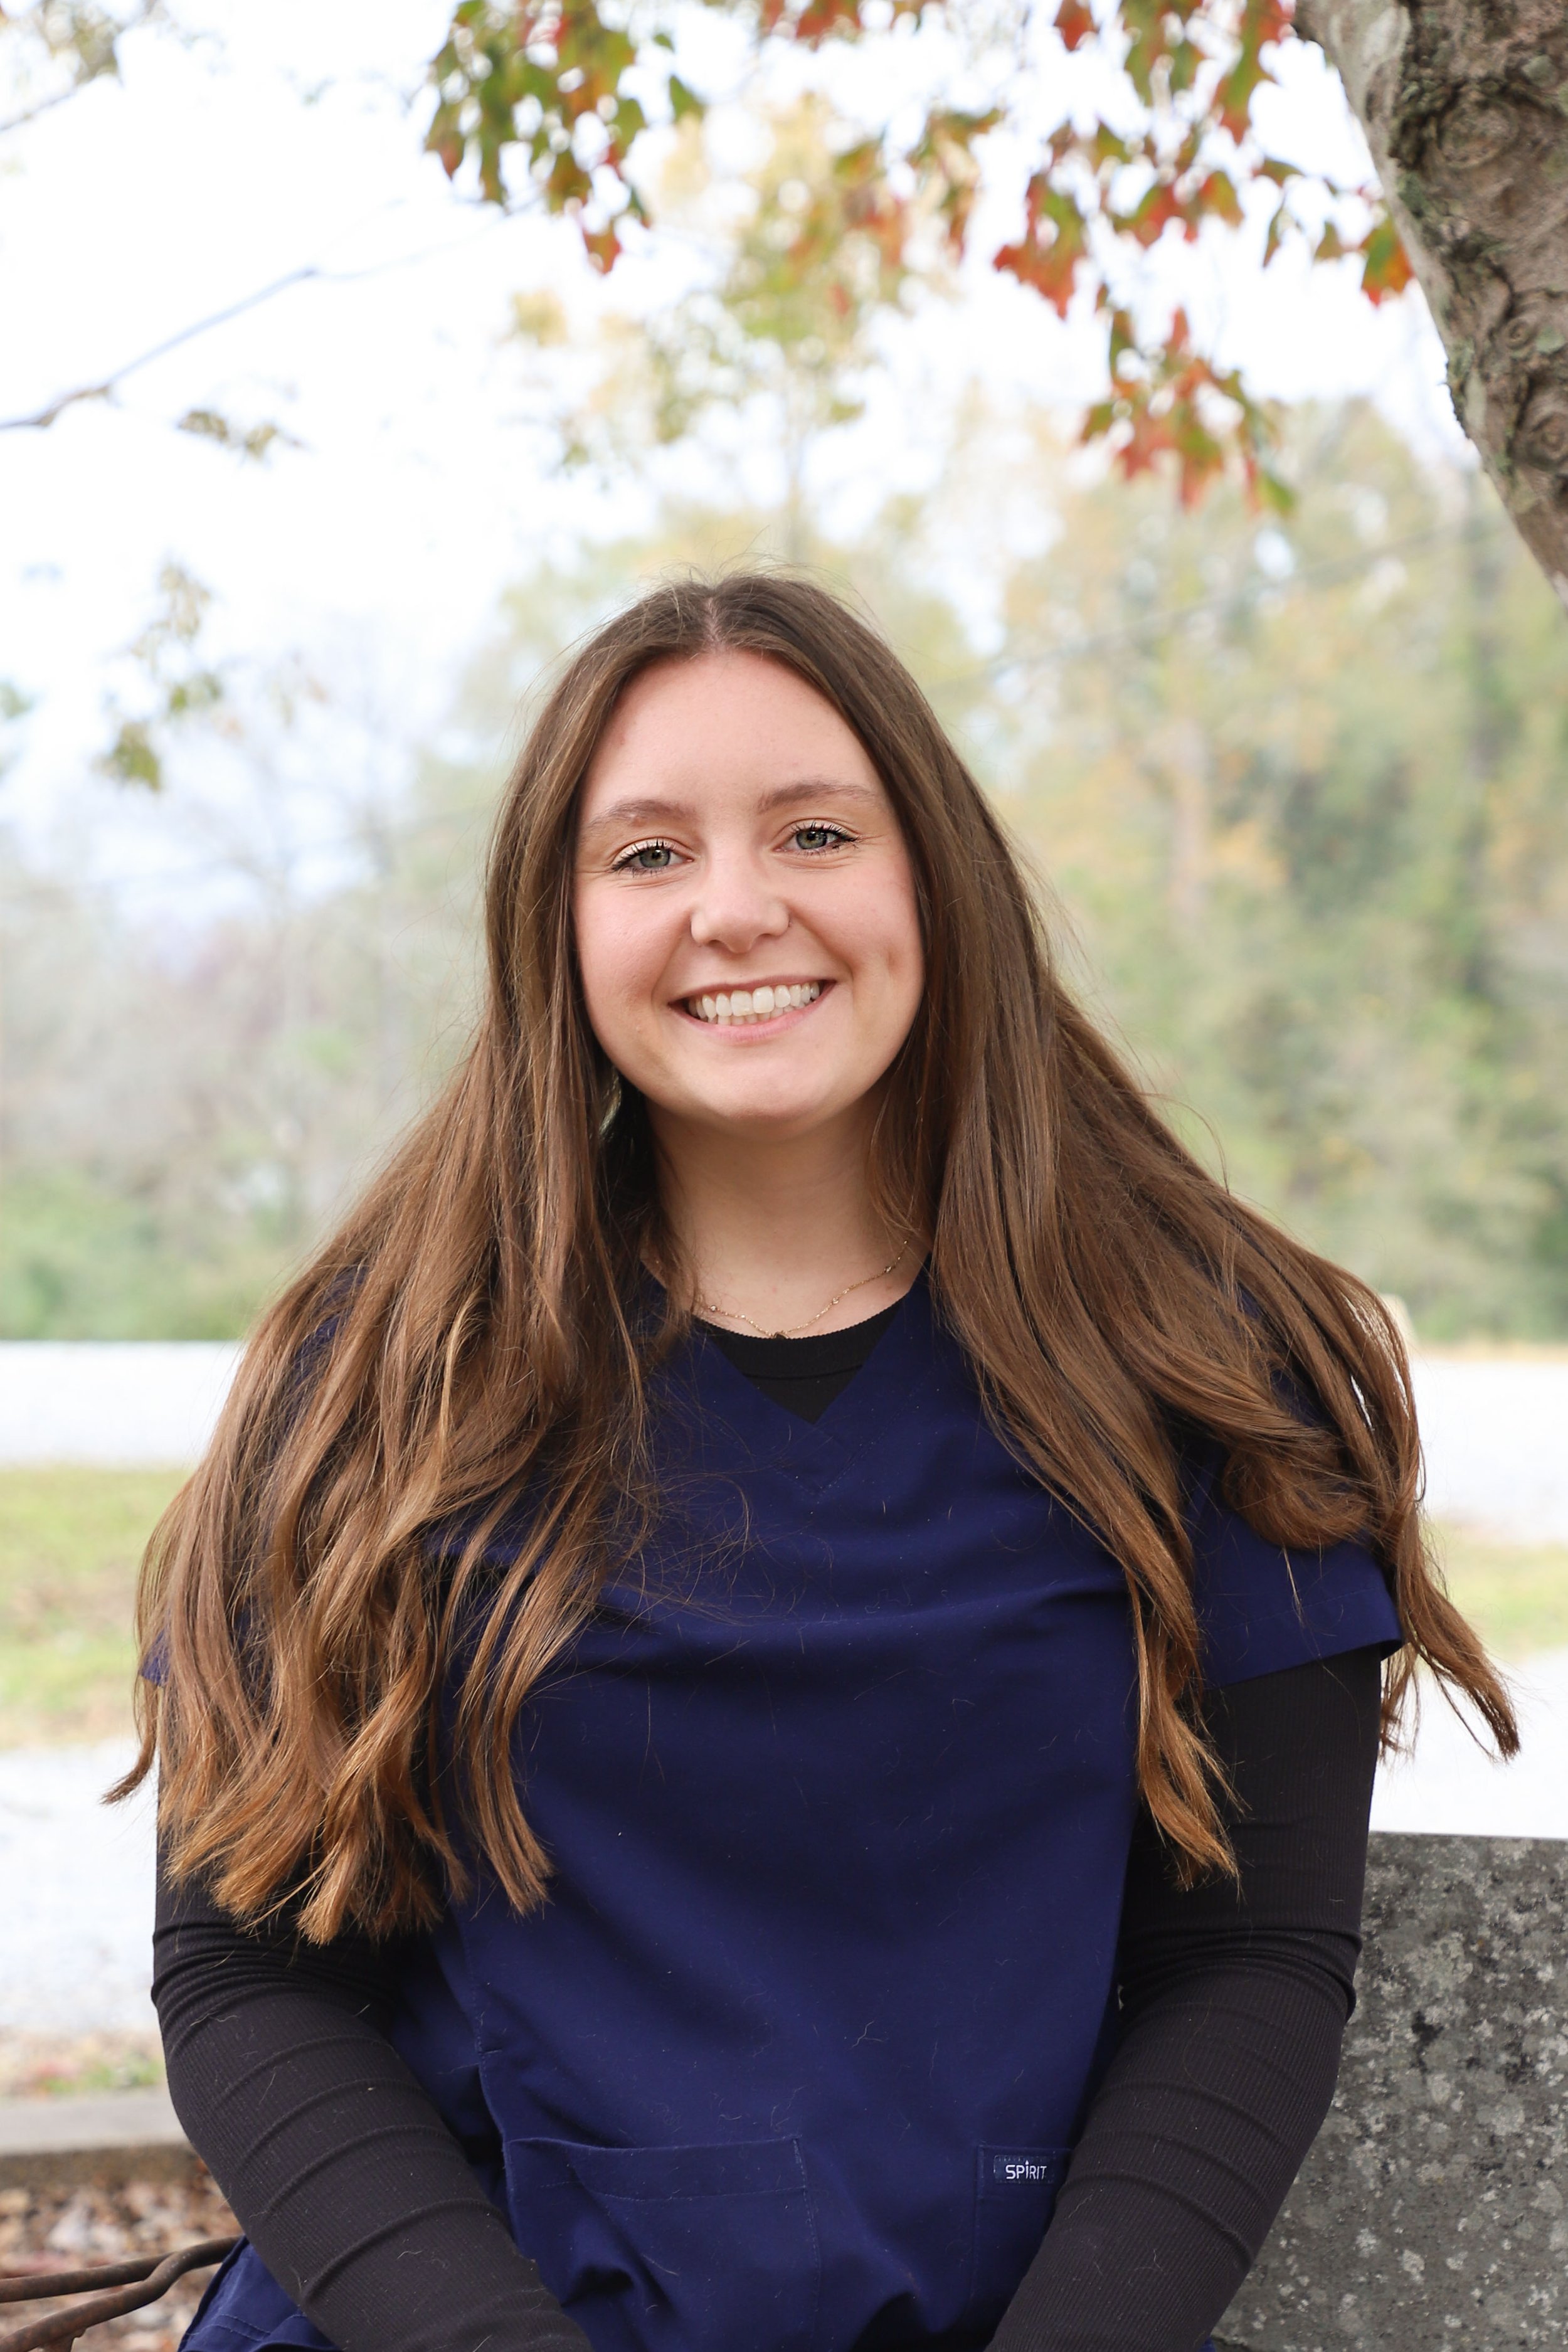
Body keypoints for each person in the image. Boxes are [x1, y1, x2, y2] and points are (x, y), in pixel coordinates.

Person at [130, 573, 1515, 2352]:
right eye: (643, 856)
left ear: (930, 875)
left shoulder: (1204, 1366)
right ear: (549, 929)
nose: (733, 908)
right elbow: (250, 1975)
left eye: (812, 830)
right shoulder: (379, 1382)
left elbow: (1243, 1961)